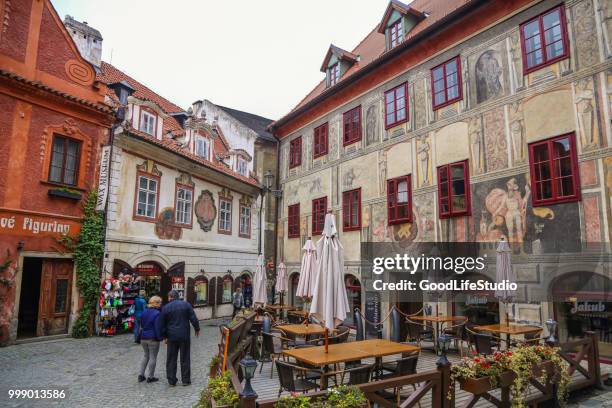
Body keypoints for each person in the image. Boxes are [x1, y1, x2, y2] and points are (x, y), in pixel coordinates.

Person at [159, 290, 200, 386]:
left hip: (171, 336)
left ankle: (172, 380)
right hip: (184, 335)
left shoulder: (165, 307)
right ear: (178, 296)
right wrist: (197, 328)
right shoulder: (186, 305)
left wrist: (164, 336)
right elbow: (193, 317)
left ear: (170, 297)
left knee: (171, 358)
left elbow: (162, 324)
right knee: (185, 357)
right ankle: (185, 380)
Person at [138, 296, 162, 383]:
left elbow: (141, 324)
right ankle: (150, 376)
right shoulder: (157, 313)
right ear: (156, 303)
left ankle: (141, 375)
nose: (160, 304)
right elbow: (157, 328)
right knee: (153, 357)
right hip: (152, 338)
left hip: (143, 337)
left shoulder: (144, 312)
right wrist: (160, 338)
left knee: (145, 356)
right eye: (160, 302)